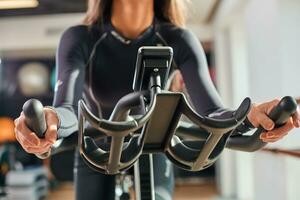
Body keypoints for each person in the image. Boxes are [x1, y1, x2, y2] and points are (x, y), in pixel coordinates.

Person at [14, 0, 300, 199]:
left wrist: (249, 115)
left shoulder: (179, 39)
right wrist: (50, 118)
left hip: (155, 145)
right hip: (97, 147)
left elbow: (213, 111)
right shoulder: (81, 38)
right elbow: (67, 109)